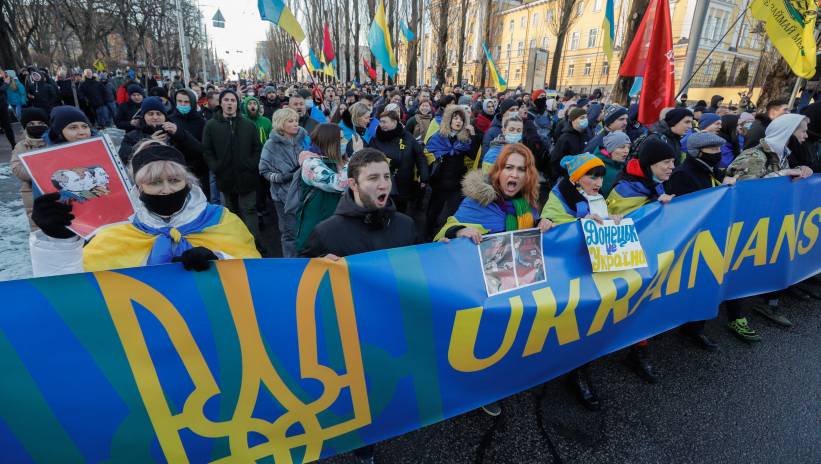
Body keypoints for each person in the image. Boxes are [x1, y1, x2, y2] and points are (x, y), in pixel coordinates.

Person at [434, 143, 552, 415]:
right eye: (508, 167)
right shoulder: (477, 201)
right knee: (483, 343)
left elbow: (529, 234)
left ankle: (498, 381)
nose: (514, 174)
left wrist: (542, 224)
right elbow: (444, 231)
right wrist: (458, 231)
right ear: (497, 171)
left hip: (515, 287)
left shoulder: (527, 204)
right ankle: (478, 390)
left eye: (521, 169)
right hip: (480, 290)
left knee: (508, 339)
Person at [28, 142, 260, 277]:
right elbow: (72, 290)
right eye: (154, 182)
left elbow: (256, 276)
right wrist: (57, 240)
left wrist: (220, 260)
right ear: (139, 188)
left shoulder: (221, 220)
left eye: (174, 180)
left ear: (187, 182)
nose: (166, 190)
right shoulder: (116, 230)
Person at [666, 131, 742, 348]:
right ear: (697, 152)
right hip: (695, 241)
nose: (718, 153)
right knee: (696, 286)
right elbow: (687, 210)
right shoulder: (683, 174)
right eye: (712, 149)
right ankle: (688, 327)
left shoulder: (711, 169)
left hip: (713, 236)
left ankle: (695, 328)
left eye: (719, 149)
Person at [300, 148, 418, 257]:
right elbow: (303, 269)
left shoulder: (406, 226)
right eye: (373, 178)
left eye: (387, 177)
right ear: (353, 184)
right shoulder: (326, 233)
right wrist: (320, 264)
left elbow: (419, 267)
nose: (384, 185)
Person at [203, 89, 263, 249]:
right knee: (231, 212)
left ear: (237, 103)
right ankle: (236, 245)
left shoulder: (248, 125)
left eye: (233, 100)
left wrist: (251, 165)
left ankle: (254, 244)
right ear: (220, 103)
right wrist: (216, 167)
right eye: (226, 100)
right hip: (225, 177)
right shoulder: (211, 125)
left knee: (249, 210)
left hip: (247, 177)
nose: (230, 103)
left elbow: (257, 148)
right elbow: (207, 150)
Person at [259, 108, 309, 257]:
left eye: (296, 120)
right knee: (289, 232)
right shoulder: (271, 145)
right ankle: (290, 262)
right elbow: (264, 171)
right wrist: (282, 178)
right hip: (283, 196)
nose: (296, 124)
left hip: (306, 193)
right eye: (291, 121)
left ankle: (307, 260)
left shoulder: (305, 139)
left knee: (306, 229)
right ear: (281, 123)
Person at [292, 124, 349, 253]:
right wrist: (356, 157)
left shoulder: (340, 162)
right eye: (341, 139)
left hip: (336, 226)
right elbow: (339, 184)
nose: (345, 142)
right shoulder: (311, 163)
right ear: (328, 141)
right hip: (316, 228)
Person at [425, 105, 478, 237]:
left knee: (453, 214)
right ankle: (426, 236)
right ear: (449, 120)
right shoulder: (438, 137)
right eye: (455, 118)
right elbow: (427, 156)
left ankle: (447, 235)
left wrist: (473, 135)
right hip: (439, 183)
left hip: (456, 184)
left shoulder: (465, 140)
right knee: (433, 212)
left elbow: (474, 155)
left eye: (461, 119)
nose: (458, 121)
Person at [367, 110, 429, 213]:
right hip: (382, 184)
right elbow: (369, 160)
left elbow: (420, 156)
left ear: (394, 122)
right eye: (380, 122)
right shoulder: (375, 139)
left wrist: (424, 177)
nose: (381, 125)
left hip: (404, 184)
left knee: (401, 211)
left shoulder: (407, 137)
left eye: (384, 122)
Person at [607, 137, 677, 216]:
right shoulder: (624, 188)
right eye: (666, 162)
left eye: (673, 161)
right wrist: (656, 203)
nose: (672, 166)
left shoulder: (655, 181)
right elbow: (628, 220)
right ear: (650, 164)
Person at [10, 108, 49, 229]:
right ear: (25, 127)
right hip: (30, 191)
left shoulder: (53, 143)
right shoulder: (21, 146)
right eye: (31, 124)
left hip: (55, 188)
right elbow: (17, 169)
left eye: (41, 123)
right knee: (36, 222)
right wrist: (41, 173)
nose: (36, 126)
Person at [549, 107, 589, 182]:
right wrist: (565, 174)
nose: (585, 120)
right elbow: (555, 160)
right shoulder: (565, 138)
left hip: (582, 175)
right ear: (573, 120)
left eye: (586, 117)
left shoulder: (586, 135)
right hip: (567, 177)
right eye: (582, 118)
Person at [593, 130, 630, 196]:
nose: (627, 151)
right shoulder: (597, 167)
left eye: (628, 147)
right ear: (610, 148)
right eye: (622, 147)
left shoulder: (622, 165)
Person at [0, 71, 16, 147]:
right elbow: (1, 90)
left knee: (7, 127)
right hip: (2, 106)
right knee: (7, 127)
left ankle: (13, 145)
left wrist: (6, 80)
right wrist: (6, 83)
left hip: (2, 107)